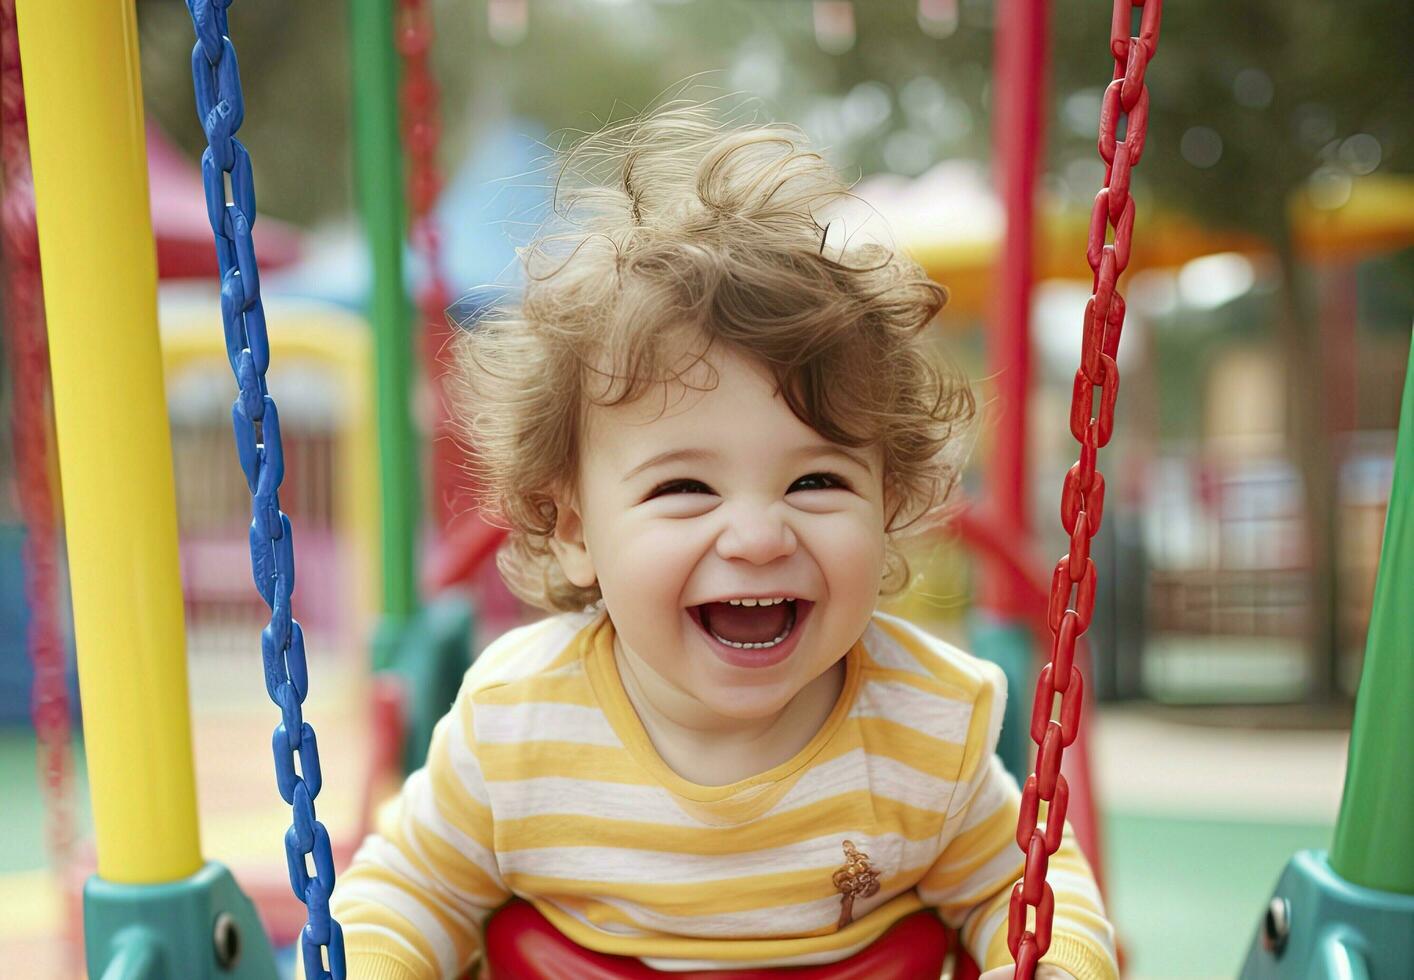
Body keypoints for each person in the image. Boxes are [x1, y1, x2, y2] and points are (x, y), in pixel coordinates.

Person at [329, 103, 1116, 980]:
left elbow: (1027, 889)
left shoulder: (926, 728)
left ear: (886, 502)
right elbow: (405, 894)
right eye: (684, 488)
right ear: (580, 532)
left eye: (816, 482)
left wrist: (1053, 963)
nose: (754, 534)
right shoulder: (516, 727)